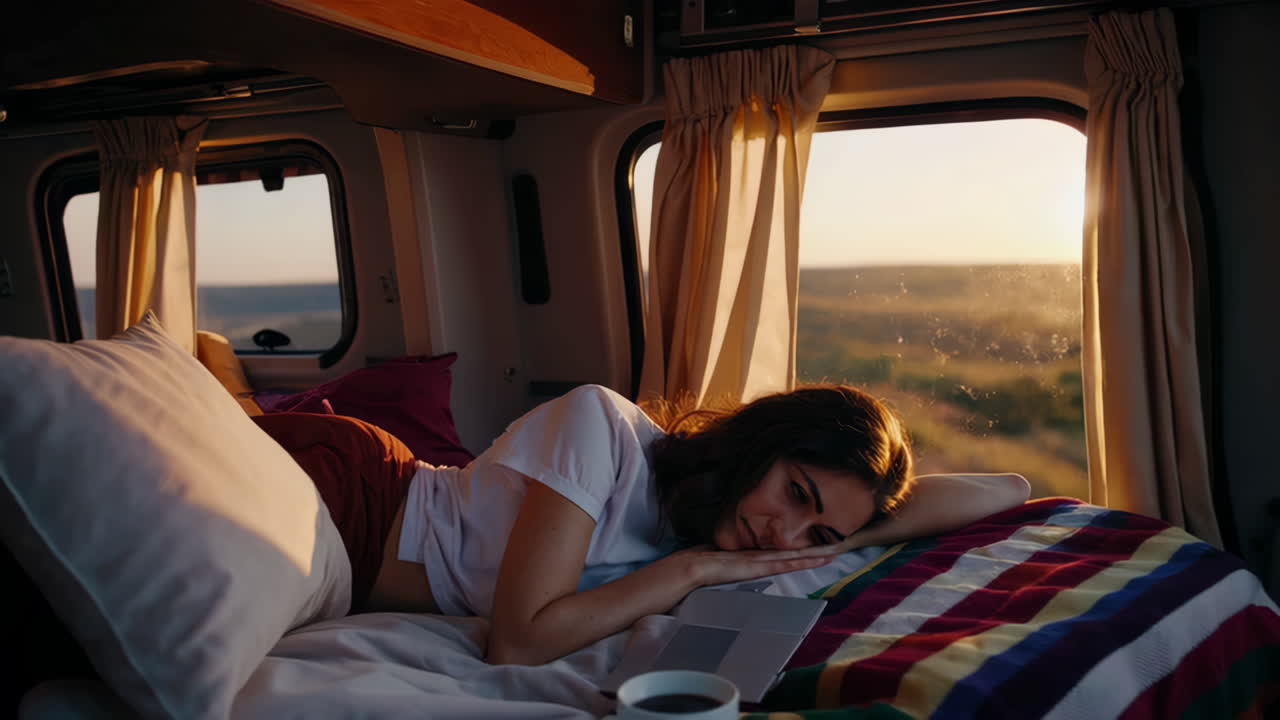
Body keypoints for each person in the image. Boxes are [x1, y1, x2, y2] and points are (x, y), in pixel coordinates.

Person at [255, 383, 1030, 666]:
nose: (783, 537)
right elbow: (518, 643)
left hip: (350, 552)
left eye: (816, 535)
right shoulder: (603, 429)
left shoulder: (738, 521)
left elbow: (1009, 486)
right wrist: (689, 571)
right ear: (756, 445)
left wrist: (848, 531)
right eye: (793, 492)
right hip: (350, 494)